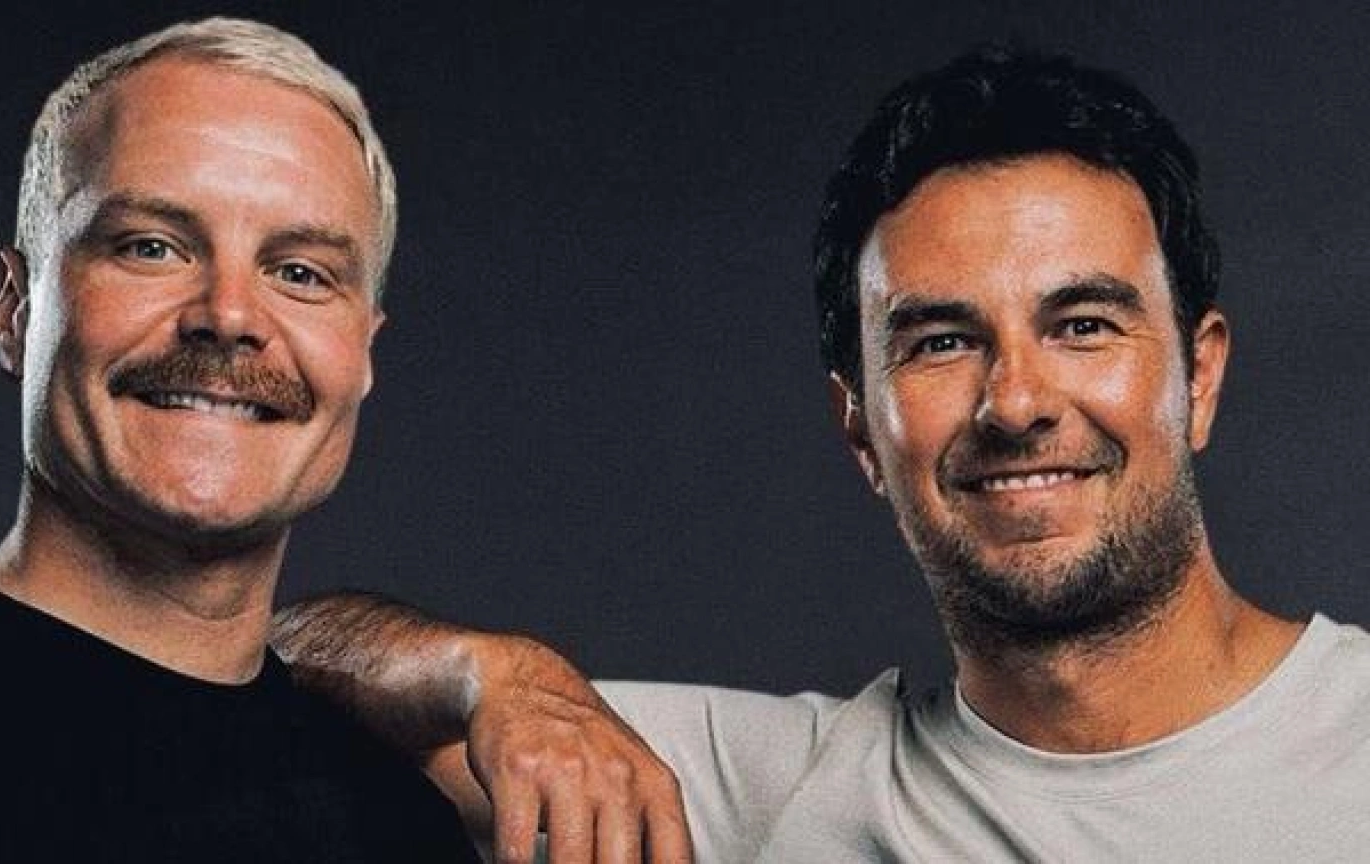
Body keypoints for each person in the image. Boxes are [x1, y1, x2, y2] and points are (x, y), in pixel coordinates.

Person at [276, 46, 1370, 862]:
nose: (1017, 401)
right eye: (941, 342)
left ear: (1199, 377)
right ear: (862, 431)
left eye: (1082, 325)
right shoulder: (756, 792)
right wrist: (499, 677)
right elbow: (266, 657)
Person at [0, 18, 490, 862]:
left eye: (300, 272)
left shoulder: (404, 826)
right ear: (15, 311)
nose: (229, 315)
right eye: (151, 247)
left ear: (363, 352)